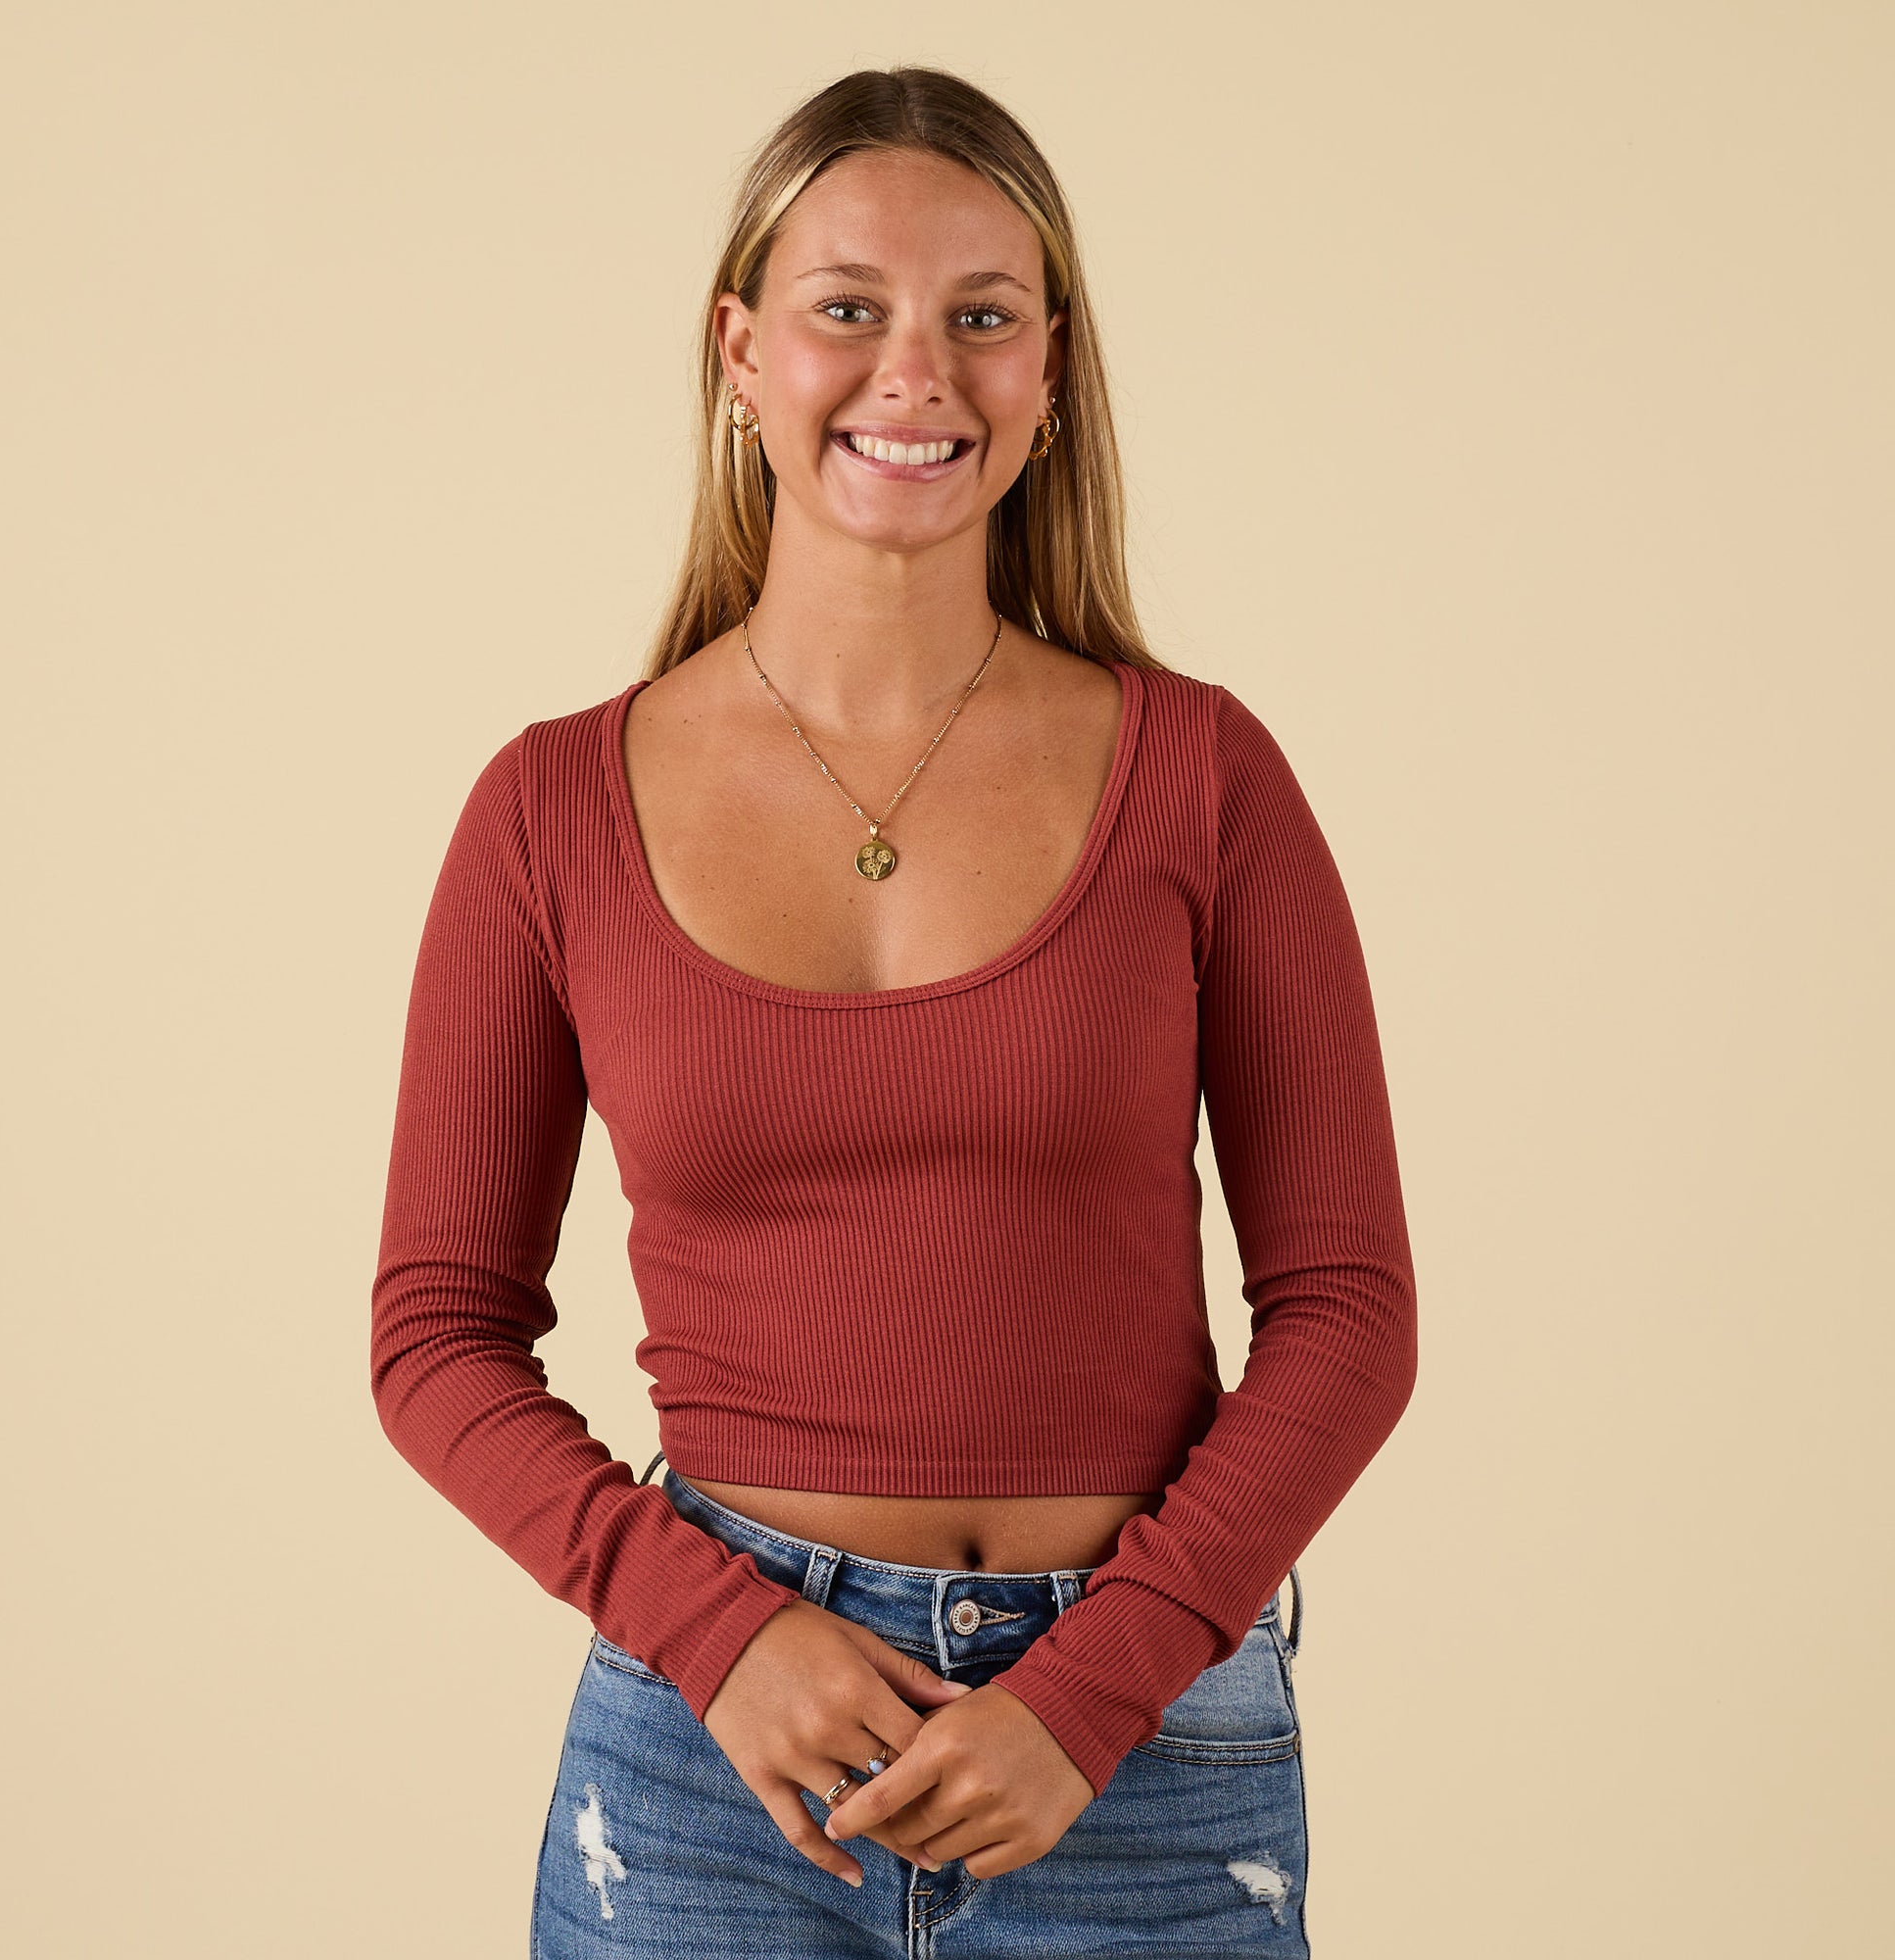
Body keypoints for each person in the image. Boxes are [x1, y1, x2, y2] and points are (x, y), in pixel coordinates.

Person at [370, 64, 1416, 1959]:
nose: (914, 370)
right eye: (848, 306)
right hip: (716, 1763)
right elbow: (434, 1338)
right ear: (742, 351)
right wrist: (720, 1632)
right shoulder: (549, 808)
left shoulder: (1202, 776)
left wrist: (1092, 1692)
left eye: (981, 317)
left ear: (1052, 368)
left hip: (1140, 1755)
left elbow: (1349, 1314)